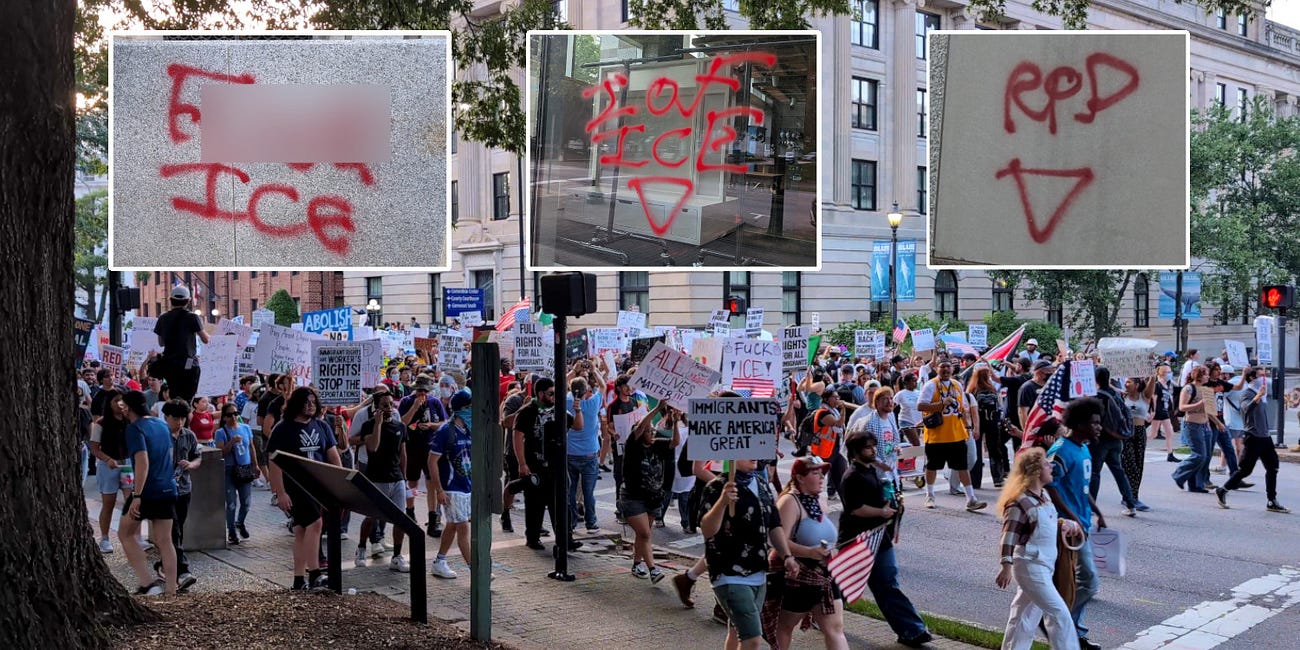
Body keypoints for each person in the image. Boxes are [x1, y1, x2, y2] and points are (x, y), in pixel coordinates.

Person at [839, 430, 932, 648]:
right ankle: (822, 614)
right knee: (843, 585)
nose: (873, 450)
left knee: (887, 584)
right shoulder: (852, 476)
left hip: (880, 538)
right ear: (855, 451)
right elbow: (855, 509)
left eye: (873, 446)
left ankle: (912, 630)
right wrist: (881, 513)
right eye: (868, 447)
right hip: (858, 540)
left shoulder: (872, 470)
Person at [699, 457, 801, 650]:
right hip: (729, 574)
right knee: (752, 638)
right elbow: (707, 530)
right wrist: (722, 502)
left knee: (738, 631)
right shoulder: (716, 487)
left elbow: (774, 524)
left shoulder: (761, 483)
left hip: (758, 573)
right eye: (747, 450)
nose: (754, 455)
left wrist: (787, 556)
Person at [995, 447, 1082, 650]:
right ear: (1034, 471)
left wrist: (1063, 524)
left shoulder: (1043, 496)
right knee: (1058, 613)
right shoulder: (1019, 502)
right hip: (1031, 566)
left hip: (1042, 564)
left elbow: (1042, 523)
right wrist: (1006, 565)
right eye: (1045, 463)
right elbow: (1008, 536)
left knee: (1024, 615)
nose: (1051, 466)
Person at [1045, 397, 1108, 650]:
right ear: (1079, 423)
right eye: (1094, 423)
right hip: (1068, 528)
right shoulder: (1060, 451)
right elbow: (1050, 488)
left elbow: (1081, 487)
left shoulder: (1083, 448)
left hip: (1082, 524)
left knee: (1077, 582)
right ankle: (1059, 622)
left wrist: (1097, 510)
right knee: (1089, 582)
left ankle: (1072, 631)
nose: (1099, 427)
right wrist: (1071, 518)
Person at [266, 387, 342, 590]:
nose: (310, 406)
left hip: (318, 487)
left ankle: (298, 579)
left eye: (313, 402)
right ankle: (315, 573)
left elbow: (333, 456)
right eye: (306, 402)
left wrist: (340, 482)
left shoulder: (322, 426)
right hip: (295, 487)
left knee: (301, 530)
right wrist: (279, 492)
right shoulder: (283, 428)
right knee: (316, 524)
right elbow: (274, 461)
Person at [773, 456, 848, 650]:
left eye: (822, 473)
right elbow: (779, 541)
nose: (822, 477)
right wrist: (808, 552)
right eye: (815, 473)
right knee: (784, 627)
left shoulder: (820, 501)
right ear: (799, 477)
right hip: (800, 576)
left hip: (827, 575)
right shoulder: (789, 501)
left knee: (835, 628)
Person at [118, 391, 179, 596]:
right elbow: (169, 453)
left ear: (128, 407)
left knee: (125, 533)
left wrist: (137, 495)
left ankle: (148, 583)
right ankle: (171, 589)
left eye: (123, 405)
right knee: (165, 540)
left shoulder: (134, 429)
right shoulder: (161, 424)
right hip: (168, 487)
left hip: (147, 490)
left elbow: (142, 462)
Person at [512, 377, 582, 553]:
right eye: (551, 393)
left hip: (556, 467)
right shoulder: (528, 411)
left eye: (556, 393)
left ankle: (566, 538)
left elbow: (577, 426)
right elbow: (518, 436)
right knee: (535, 504)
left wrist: (577, 410)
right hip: (536, 465)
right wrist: (522, 463)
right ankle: (533, 538)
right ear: (541, 393)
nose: (554, 397)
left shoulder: (559, 410)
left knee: (560, 503)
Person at [1217, 367, 1290, 513]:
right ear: (1251, 378)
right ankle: (1223, 490)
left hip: (1265, 437)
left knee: (1273, 467)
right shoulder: (1247, 394)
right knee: (1245, 470)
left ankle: (1272, 500)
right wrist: (1257, 398)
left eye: (1265, 375)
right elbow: (1245, 410)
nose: (1264, 378)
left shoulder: (1261, 394)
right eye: (1260, 376)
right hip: (1253, 437)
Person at [620, 401, 678, 583]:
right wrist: (657, 409)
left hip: (653, 498)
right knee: (645, 533)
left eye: (653, 431)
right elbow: (640, 428)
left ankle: (637, 564)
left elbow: (675, 442)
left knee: (642, 534)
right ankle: (653, 569)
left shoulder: (658, 445)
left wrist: (675, 421)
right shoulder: (633, 446)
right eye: (648, 431)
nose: (651, 433)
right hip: (633, 498)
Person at [917, 360, 986, 511]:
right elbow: (920, 406)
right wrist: (941, 404)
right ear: (937, 369)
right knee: (932, 467)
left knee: (962, 467)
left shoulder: (957, 385)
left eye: (948, 367)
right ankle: (929, 495)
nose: (946, 369)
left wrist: (968, 426)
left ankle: (971, 498)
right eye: (942, 367)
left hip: (956, 434)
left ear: (953, 369)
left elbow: (962, 409)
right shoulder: (931, 385)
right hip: (937, 435)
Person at [356, 390, 411, 573]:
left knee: (400, 519)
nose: (389, 408)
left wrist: (404, 477)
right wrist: (378, 424)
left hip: (396, 479)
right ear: (376, 408)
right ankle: (362, 547)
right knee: (372, 517)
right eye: (385, 405)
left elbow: (403, 453)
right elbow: (372, 447)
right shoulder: (368, 425)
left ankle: (396, 556)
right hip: (376, 478)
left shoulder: (400, 427)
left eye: (391, 404)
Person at [428, 389, 474, 578]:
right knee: (462, 527)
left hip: (466, 486)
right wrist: (439, 490)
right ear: (462, 408)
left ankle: (440, 561)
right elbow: (432, 461)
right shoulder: (445, 431)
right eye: (470, 406)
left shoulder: (469, 429)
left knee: (453, 525)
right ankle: (476, 570)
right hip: (451, 488)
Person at [158, 399, 201, 591]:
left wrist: (191, 465)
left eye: (183, 418)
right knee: (173, 528)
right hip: (164, 490)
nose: (179, 422)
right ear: (166, 417)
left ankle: (164, 564)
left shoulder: (189, 436)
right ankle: (182, 570)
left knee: (178, 529)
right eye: (175, 418)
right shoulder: (159, 435)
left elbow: (197, 456)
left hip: (184, 488)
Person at [399, 379, 447, 539]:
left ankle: (433, 518)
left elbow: (444, 422)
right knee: (411, 482)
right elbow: (401, 423)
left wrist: (432, 425)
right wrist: (414, 407)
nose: (422, 394)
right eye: (420, 391)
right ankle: (410, 513)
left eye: (425, 391)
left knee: (431, 482)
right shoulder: (407, 401)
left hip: (430, 448)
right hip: (411, 448)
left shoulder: (435, 402)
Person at [1089, 367, 1139, 516]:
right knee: (1118, 471)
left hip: (1100, 440)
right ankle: (1130, 504)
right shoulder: (1116, 394)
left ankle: (1091, 507)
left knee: (1094, 473)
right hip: (1117, 438)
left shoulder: (1097, 396)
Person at [89, 389, 131, 554]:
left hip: (127, 465)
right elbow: (94, 448)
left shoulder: (129, 421)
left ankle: (133, 536)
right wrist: (107, 459)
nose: (120, 404)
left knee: (131, 500)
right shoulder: (101, 423)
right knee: (109, 503)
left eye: (123, 400)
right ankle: (105, 538)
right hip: (108, 466)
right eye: (116, 401)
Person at [152, 285, 209, 402]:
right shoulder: (193, 317)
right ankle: (185, 416)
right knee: (187, 399)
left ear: (171, 300)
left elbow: (161, 343)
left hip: (169, 365)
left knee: (175, 396)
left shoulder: (163, 318)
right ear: (188, 301)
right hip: (188, 364)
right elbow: (206, 339)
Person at [567, 375, 605, 534]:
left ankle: (571, 522)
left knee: (571, 490)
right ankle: (591, 522)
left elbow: (563, 383)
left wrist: (573, 372)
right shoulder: (593, 403)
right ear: (586, 391)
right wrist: (595, 370)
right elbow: (603, 386)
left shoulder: (566, 402)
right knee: (588, 492)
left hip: (570, 452)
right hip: (589, 453)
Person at [214, 401, 255, 544]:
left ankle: (240, 522)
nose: (234, 417)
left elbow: (251, 447)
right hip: (229, 470)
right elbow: (221, 453)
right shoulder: (221, 432)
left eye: (236, 414)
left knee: (246, 502)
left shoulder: (245, 428)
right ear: (224, 417)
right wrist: (231, 442)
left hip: (244, 468)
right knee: (231, 503)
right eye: (230, 415)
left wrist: (255, 466)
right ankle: (231, 531)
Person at [1172, 366, 1213, 493]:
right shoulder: (1189, 388)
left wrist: (1212, 424)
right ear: (1199, 375)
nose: (1208, 377)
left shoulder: (1206, 389)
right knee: (1199, 455)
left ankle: (1195, 484)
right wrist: (1199, 404)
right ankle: (1179, 474)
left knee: (1205, 457)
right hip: (1192, 425)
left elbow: (1209, 410)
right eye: (1205, 374)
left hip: (1204, 425)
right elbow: (1182, 407)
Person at [1120, 377, 1155, 512]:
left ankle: (1133, 496)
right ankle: (1129, 497)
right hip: (1126, 433)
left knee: (1138, 465)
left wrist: (1152, 372)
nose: (1126, 384)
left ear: (1137, 384)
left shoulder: (1144, 396)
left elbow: (1152, 382)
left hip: (1140, 432)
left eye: (1129, 382)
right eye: (1126, 382)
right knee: (1130, 466)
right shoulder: (1122, 397)